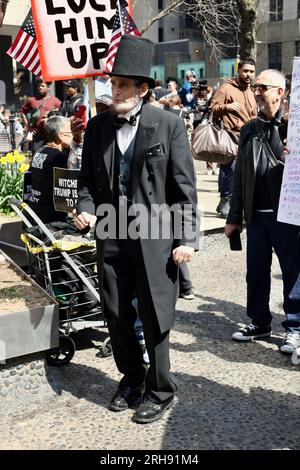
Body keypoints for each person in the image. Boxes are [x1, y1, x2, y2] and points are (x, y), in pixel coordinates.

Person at [73, 35, 198, 424]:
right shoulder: (97, 127)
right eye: (112, 84)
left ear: (143, 89)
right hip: (111, 233)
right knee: (115, 313)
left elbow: (185, 187)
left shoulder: (169, 125)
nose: (116, 91)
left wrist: (186, 238)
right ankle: (131, 379)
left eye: (123, 85)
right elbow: (86, 183)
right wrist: (85, 209)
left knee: (156, 313)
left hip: (157, 237)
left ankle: (161, 389)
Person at [225, 69, 300, 354]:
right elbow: (241, 173)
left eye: (262, 87)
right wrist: (234, 217)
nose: (256, 92)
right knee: (255, 271)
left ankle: (295, 327)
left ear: (281, 92)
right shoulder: (249, 128)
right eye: (255, 87)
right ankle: (259, 322)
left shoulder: (294, 127)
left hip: (288, 214)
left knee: (293, 271)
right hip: (257, 214)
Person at [212, 58, 257, 218]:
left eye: (251, 71)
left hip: (250, 136)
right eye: (245, 71)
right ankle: (225, 201)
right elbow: (212, 109)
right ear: (238, 70)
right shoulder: (226, 88)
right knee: (229, 169)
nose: (248, 74)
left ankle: (234, 202)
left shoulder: (252, 90)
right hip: (231, 135)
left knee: (245, 172)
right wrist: (227, 107)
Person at [28, 115, 72, 223]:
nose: (73, 135)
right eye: (71, 132)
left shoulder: (39, 151)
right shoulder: (59, 157)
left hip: (34, 210)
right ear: (61, 135)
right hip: (51, 218)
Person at [21, 79, 61, 153]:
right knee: (36, 157)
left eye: (42, 86)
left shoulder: (55, 101)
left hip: (51, 136)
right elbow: (23, 111)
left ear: (48, 87)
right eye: (39, 86)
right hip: (37, 136)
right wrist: (28, 126)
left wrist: (52, 113)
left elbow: (62, 113)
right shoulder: (31, 100)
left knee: (51, 158)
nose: (40, 87)